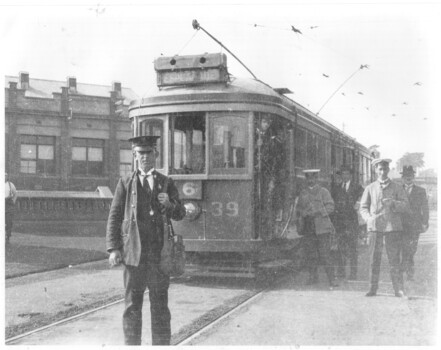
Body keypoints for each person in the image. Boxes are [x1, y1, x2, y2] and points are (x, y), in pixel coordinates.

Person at [106, 136, 186, 345]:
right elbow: (114, 217)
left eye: (149, 153)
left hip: (159, 257)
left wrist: (169, 204)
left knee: (160, 307)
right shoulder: (125, 183)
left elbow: (180, 213)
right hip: (134, 257)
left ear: (156, 155)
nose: (145, 158)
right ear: (134, 156)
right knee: (132, 307)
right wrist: (114, 249)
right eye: (140, 153)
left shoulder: (166, 182)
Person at [360, 158, 410, 297]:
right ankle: (372, 288)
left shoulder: (397, 187)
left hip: (392, 228)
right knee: (374, 259)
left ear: (388, 170)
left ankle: (398, 289)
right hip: (375, 228)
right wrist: (368, 219)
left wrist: (393, 203)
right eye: (380, 169)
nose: (382, 172)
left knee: (394, 259)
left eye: (385, 169)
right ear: (376, 170)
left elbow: (406, 205)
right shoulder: (370, 188)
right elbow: (363, 207)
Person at [296, 169, 338, 287]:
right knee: (311, 255)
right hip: (308, 228)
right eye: (308, 178)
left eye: (313, 178)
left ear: (316, 178)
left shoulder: (323, 192)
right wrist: (302, 212)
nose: (311, 180)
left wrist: (318, 212)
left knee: (325, 255)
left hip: (322, 228)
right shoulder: (303, 193)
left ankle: (332, 279)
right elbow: (298, 208)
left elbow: (331, 206)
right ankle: (313, 278)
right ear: (306, 179)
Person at [333, 166, 364, 280]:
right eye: (343, 174)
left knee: (352, 248)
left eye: (347, 174)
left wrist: (359, 203)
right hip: (340, 222)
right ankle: (341, 271)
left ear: (350, 175)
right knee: (340, 248)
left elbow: (364, 196)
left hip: (352, 222)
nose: (345, 176)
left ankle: (353, 273)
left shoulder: (357, 187)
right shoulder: (337, 187)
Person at [255, 115, 283, 239]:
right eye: (264, 122)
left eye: (268, 122)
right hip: (256, 173)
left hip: (267, 173)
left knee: (268, 200)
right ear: (259, 122)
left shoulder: (272, 138)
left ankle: (268, 229)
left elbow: (276, 157)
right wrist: (256, 146)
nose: (266, 124)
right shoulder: (254, 135)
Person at [400, 165, 429, 281]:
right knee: (403, 248)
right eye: (406, 176)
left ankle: (408, 270)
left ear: (414, 177)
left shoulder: (421, 191)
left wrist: (425, 223)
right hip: (400, 225)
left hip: (414, 225)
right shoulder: (398, 189)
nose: (408, 178)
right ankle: (406, 270)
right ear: (402, 177)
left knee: (412, 249)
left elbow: (425, 208)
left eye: (410, 175)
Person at [5, 172, 18, 245]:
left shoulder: (10, 184)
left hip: (8, 204)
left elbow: (15, 193)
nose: (4, 177)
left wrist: (13, 201)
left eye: (5, 176)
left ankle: (7, 237)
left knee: (9, 221)